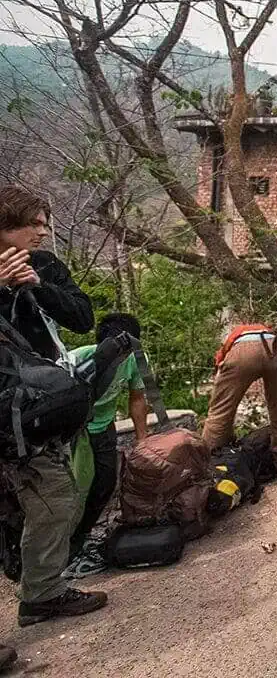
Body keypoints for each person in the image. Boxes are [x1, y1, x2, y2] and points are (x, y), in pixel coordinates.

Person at [0, 185, 104, 637]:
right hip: (9, 405)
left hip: (43, 404)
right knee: (51, 494)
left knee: (57, 489)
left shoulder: (43, 265)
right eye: (33, 224)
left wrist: (37, 287)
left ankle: (37, 583)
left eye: (46, 223)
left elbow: (83, 317)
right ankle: (40, 593)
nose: (43, 231)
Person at [66, 313, 149, 571]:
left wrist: (142, 439)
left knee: (104, 484)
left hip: (104, 428)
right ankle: (61, 551)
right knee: (74, 492)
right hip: (72, 434)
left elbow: (137, 397)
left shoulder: (136, 359)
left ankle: (79, 541)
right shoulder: (77, 359)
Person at [201, 320, 277, 476]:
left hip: (243, 353)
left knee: (220, 412)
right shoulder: (266, 330)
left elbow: (220, 360)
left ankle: (209, 463)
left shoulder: (232, 337)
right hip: (273, 347)